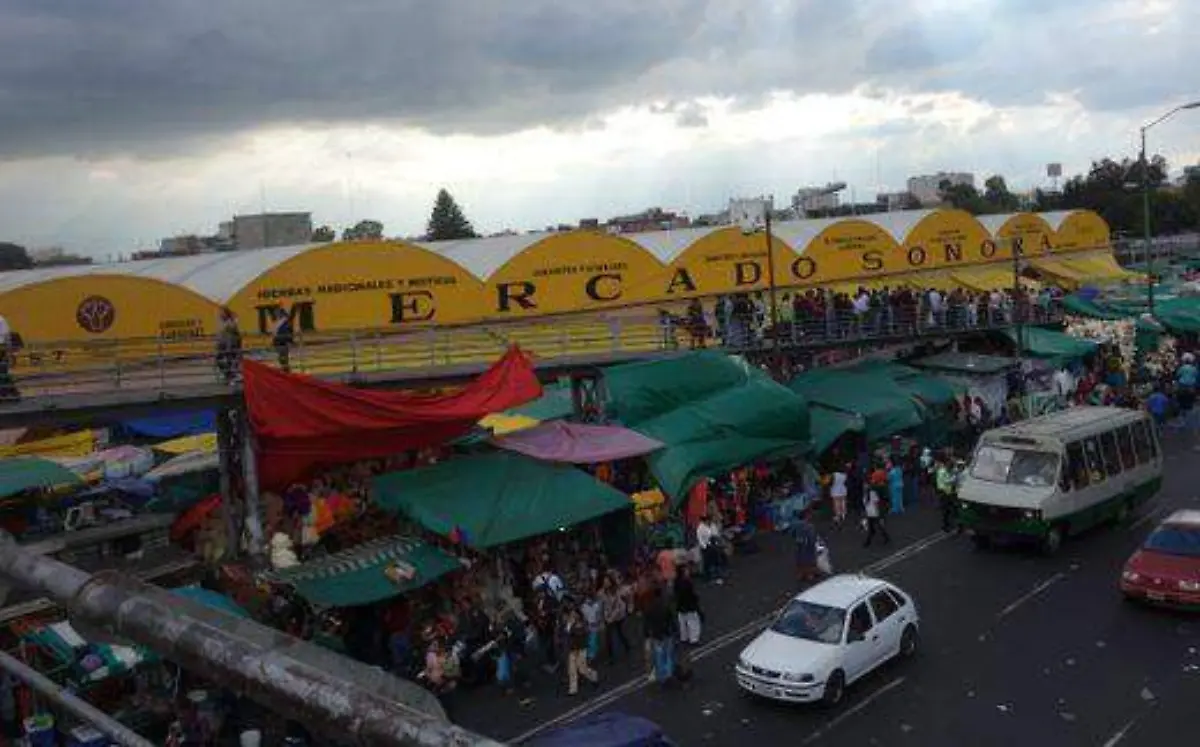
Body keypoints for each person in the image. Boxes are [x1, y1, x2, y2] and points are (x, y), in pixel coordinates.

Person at [563, 607, 599, 696]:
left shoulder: (581, 624)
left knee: (582, 669)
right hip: (572, 649)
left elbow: (580, 636)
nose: (572, 616)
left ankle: (593, 676)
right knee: (571, 670)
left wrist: (571, 627)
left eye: (574, 614)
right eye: (571, 614)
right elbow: (566, 634)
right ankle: (573, 689)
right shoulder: (569, 624)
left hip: (580, 649)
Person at [599, 574, 631, 665]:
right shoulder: (602, 593)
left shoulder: (616, 591)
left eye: (607, 581)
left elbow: (618, 606)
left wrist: (611, 618)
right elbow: (601, 605)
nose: (605, 583)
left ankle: (627, 645)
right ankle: (610, 657)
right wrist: (604, 618)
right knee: (608, 637)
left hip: (618, 616)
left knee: (620, 632)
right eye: (604, 581)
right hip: (608, 617)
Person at [673, 566, 702, 645]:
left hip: (680, 605)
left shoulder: (676, 581)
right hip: (689, 606)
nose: (688, 572)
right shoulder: (687, 583)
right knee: (693, 622)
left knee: (682, 622)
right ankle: (694, 639)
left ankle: (684, 637)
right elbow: (691, 595)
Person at [792, 510, 820, 582]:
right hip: (808, 545)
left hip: (799, 543)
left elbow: (793, 534)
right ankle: (810, 575)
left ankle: (800, 574)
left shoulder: (795, 525)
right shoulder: (809, 526)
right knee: (809, 559)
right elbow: (811, 536)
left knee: (799, 559)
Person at [863, 483, 890, 547]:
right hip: (870, 513)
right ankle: (886, 537)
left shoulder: (872, 494)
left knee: (876, 527)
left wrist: (879, 512)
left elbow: (876, 503)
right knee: (876, 527)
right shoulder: (867, 495)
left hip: (874, 513)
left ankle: (868, 542)